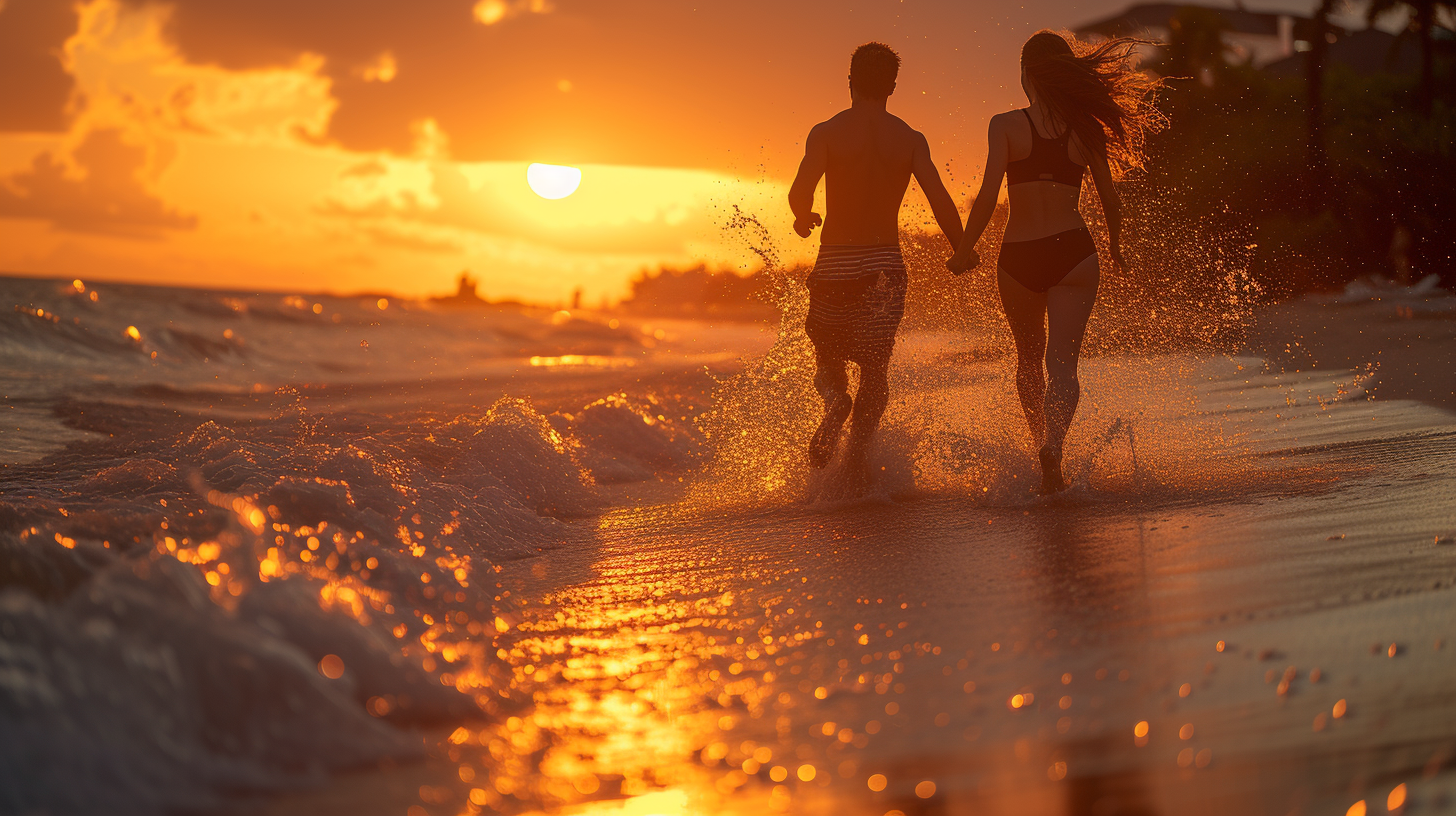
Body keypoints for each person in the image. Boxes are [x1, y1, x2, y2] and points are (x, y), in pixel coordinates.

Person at [947, 30, 1163, 494]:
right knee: (1063, 365)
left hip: (1019, 255)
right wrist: (1118, 245)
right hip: (1073, 251)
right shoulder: (1084, 129)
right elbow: (1110, 201)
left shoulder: (1004, 125)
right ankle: (1055, 445)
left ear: (1026, 74)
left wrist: (965, 250)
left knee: (1028, 359)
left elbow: (987, 196)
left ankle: (1038, 443)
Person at [790, 42, 964, 482]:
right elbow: (940, 199)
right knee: (875, 368)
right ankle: (855, 462)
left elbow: (800, 190)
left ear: (849, 82)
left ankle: (833, 403)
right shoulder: (909, 139)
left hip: (835, 264)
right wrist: (962, 246)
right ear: (892, 85)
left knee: (828, 362)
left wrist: (803, 216)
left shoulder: (826, 132)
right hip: (885, 266)